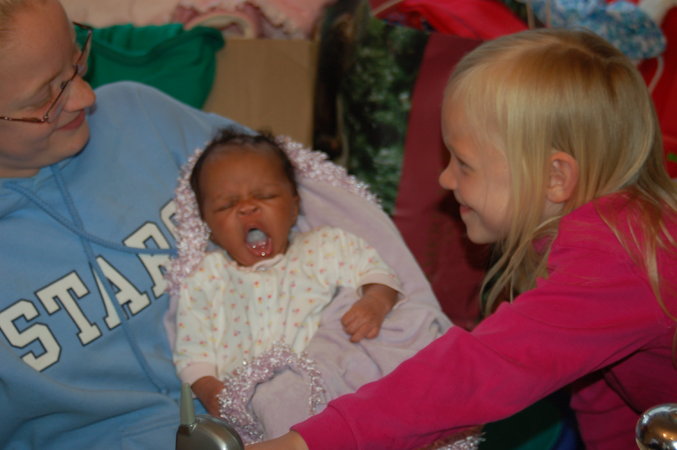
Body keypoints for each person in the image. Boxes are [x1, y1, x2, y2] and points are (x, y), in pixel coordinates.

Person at [0, 1, 450, 448]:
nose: (85, 96)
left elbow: (328, 215)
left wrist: (403, 347)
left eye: (76, 61)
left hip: (298, 408)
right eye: (45, 97)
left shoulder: (144, 117)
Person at [248, 28, 677, 450]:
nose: (445, 178)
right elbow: (602, 397)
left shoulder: (615, 260)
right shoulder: (613, 236)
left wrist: (307, 442)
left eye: (464, 164)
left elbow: (474, 373)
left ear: (554, 177)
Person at [171, 129, 403, 442]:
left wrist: (375, 301)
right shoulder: (206, 278)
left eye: (265, 196)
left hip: (326, 392)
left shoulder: (323, 247)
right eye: (227, 205)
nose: (247, 207)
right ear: (208, 227)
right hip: (252, 414)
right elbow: (191, 349)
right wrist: (208, 387)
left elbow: (378, 271)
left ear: (294, 207)